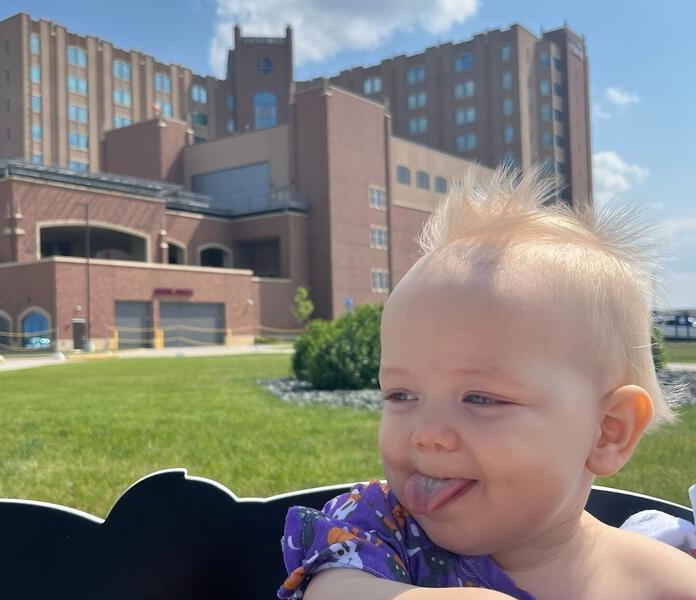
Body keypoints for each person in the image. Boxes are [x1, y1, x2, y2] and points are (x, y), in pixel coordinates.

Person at [277, 168, 696, 600]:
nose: (428, 434)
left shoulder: (654, 576)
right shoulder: (380, 528)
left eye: (480, 398)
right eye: (401, 395)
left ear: (608, 431)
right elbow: (331, 591)